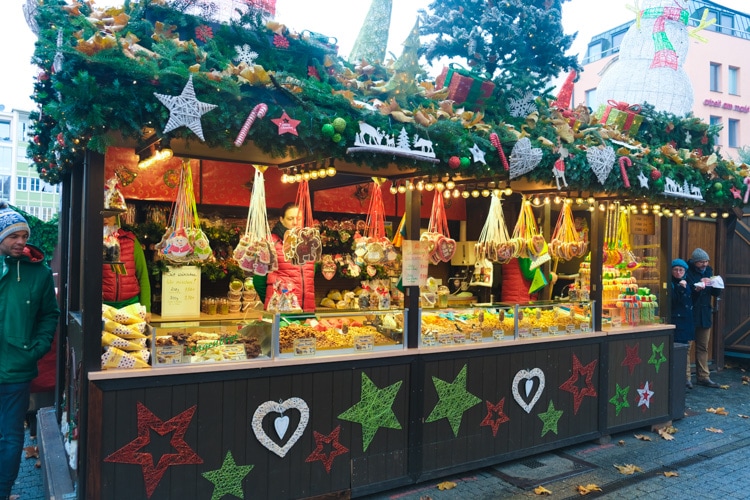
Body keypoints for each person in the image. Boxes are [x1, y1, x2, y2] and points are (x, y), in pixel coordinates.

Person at [0, 202, 60, 500]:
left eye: (24, 235)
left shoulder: (39, 273)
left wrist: (36, 348)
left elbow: (51, 314)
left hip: (17, 367)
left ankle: (4, 490)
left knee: (10, 438)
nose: (21, 241)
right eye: (13, 236)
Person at [254, 202, 315, 312]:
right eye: (290, 218)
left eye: (299, 218)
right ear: (282, 220)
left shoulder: (309, 243)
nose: (295, 222)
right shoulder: (270, 242)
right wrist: (272, 302)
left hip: (307, 311)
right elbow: (258, 280)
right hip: (281, 312)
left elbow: (310, 275)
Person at [102, 215, 151, 321]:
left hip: (131, 306)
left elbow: (143, 276)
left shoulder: (130, 240)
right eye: (102, 213)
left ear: (116, 216)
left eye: (109, 214)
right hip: (103, 307)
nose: (105, 218)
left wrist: (146, 307)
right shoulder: (93, 241)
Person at [686, 248, 721, 388]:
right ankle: (686, 378)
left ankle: (704, 376)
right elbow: (687, 294)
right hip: (691, 313)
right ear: (695, 262)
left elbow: (714, 293)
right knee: (687, 347)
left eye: (706, 261)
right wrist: (697, 287)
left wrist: (717, 284)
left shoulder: (709, 271)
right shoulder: (687, 272)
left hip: (705, 313)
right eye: (701, 262)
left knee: (703, 346)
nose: (704, 264)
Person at [670, 259, 695, 389]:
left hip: (687, 320)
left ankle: (687, 378)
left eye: (681, 270)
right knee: (680, 350)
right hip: (677, 320)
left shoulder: (687, 282)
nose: (678, 272)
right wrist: (680, 288)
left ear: (685, 271)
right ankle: (683, 378)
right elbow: (673, 302)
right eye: (675, 269)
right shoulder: (672, 285)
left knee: (687, 349)